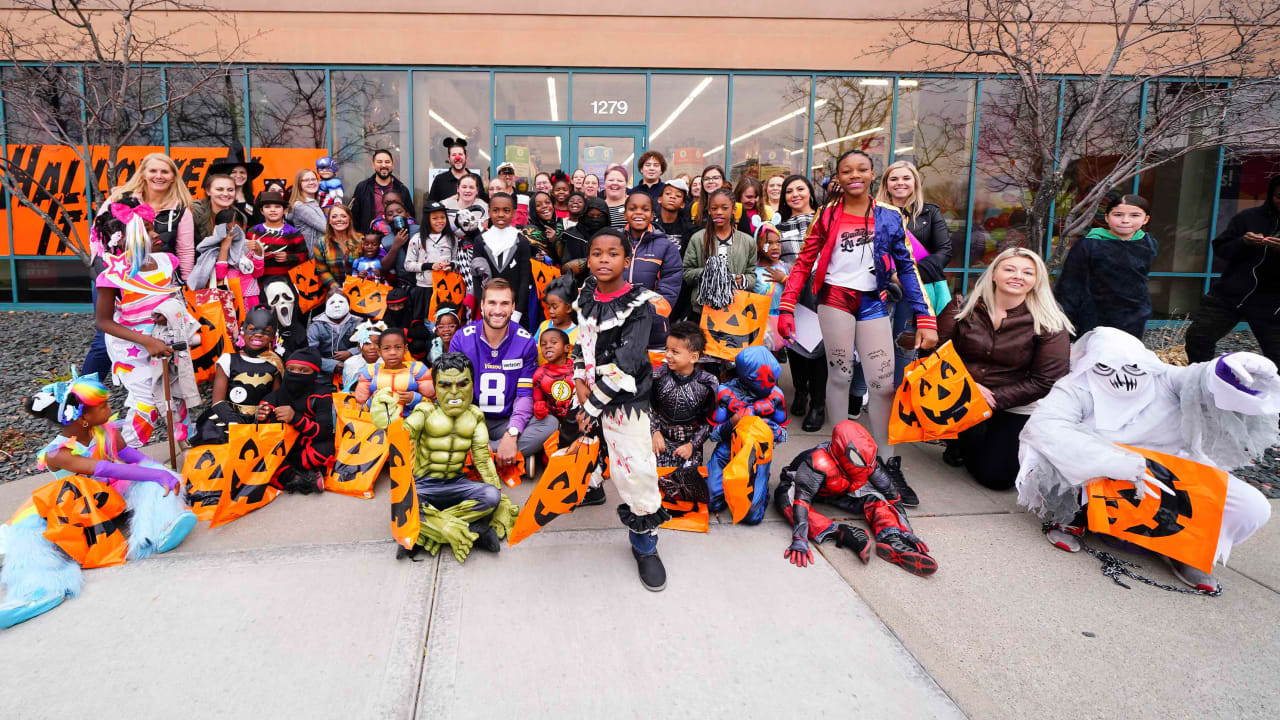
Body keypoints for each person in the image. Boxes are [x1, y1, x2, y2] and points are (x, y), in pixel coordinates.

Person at [1017, 327, 1276, 592]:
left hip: (1171, 475)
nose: (1122, 376)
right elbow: (1045, 427)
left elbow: (1197, 380)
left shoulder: (1163, 377)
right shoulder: (1077, 387)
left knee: (1252, 507)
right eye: (1108, 366)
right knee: (1044, 452)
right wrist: (1115, 462)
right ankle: (1071, 516)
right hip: (1101, 474)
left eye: (1131, 366)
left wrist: (1225, 370)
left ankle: (1187, 546)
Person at [776, 149, 938, 507]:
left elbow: (908, 267)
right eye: (846, 170)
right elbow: (804, 262)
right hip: (835, 298)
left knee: (882, 383)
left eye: (861, 169)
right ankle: (841, 454)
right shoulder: (827, 214)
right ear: (838, 176)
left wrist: (924, 316)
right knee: (840, 374)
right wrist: (786, 306)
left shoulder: (891, 216)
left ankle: (886, 462)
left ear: (871, 174)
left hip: (872, 301)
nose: (854, 175)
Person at [1, 373, 195, 628]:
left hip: (110, 497)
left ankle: (159, 530)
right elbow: (107, 468)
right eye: (102, 405)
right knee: (25, 534)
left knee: (155, 478)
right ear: (82, 418)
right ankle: (37, 591)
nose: (109, 406)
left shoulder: (107, 432)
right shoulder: (59, 453)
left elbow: (133, 459)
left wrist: (162, 474)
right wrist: (155, 473)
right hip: (74, 507)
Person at [573, 227, 670, 590]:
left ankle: (644, 545)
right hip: (590, 396)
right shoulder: (585, 295)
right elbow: (580, 343)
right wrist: (580, 379)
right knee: (590, 452)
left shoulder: (639, 305)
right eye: (597, 253)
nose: (603, 259)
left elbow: (628, 363)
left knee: (635, 467)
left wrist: (594, 403)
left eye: (612, 253)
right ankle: (593, 488)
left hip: (624, 399)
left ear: (626, 261)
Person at [935, 248, 1071, 489]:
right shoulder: (961, 306)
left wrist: (992, 399)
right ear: (994, 274)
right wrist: (965, 387)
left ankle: (967, 439)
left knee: (997, 478)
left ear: (1036, 280)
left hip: (1014, 402)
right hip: (961, 393)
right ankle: (959, 436)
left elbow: (1046, 380)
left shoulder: (1049, 321)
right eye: (1009, 269)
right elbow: (933, 353)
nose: (1018, 275)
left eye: (1028, 272)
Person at [368, 352, 517, 562]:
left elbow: (483, 459)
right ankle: (468, 530)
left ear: (473, 384)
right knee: (403, 503)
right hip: (423, 485)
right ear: (435, 388)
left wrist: (499, 501)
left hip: (457, 484)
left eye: (462, 384)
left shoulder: (475, 416)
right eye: (446, 385)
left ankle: (425, 533)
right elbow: (402, 436)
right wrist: (389, 424)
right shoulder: (425, 411)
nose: (454, 392)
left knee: (491, 497)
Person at [775, 420, 935, 575]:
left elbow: (891, 495)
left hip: (839, 491)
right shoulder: (817, 462)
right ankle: (842, 533)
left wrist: (906, 530)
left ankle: (891, 537)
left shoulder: (868, 462)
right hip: (802, 486)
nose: (867, 466)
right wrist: (799, 539)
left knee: (877, 498)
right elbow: (803, 500)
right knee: (787, 500)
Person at [92, 197, 190, 448]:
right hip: (131, 344)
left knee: (175, 392)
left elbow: (174, 297)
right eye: (147, 229)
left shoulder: (167, 262)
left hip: (165, 336)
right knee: (147, 399)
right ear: (124, 238)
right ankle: (117, 456)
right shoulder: (112, 276)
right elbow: (103, 322)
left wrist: (168, 312)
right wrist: (145, 341)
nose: (156, 233)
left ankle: (184, 442)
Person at [450, 278, 557, 464]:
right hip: (470, 419)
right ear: (482, 305)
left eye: (505, 303)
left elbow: (525, 394)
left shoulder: (525, 341)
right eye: (492, 302)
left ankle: (486, 454)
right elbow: (454, 392)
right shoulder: (462, 338)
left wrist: (512, 433)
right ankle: (507, 457)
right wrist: (473, 432)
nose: (498, 310)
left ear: (513, 306)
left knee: (550, 424)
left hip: (505, 420)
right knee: (436, 422)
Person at [874, 160, 954, 388]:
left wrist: (909, 274)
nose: (900, 183)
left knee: (905, 345)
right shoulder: (874, 213)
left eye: (906, 178)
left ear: (915, 183)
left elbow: (944, 251)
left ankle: (899, 395)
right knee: (874, 346)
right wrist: (891, 275)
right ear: (886, 184)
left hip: (914, 292)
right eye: (894, 178)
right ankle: (860, 393)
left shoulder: (930, 212)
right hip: (882, 289)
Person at [1186, 176, 1280, 363]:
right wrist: (1243, 242)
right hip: (1230, 294)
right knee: (1198, 338)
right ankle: (1200, 382)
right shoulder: (1247, 217)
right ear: (1271, 195)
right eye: (1279, 196)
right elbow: (1222, 249)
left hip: (1273, 302)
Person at [1055, 194, 1156, 340]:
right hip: (1093, 316)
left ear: (1145, 219)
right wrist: (1067, 319)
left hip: (1134, 316)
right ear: (1107, 217)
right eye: (1118, 214)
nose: (1125, 220)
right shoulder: (1089, 244)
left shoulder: (1148, 243)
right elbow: (1070, 285)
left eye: (1135, 215)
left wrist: (1143, 311)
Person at [706, 346, 786, 524]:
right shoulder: (726, 392)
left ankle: (761, 486)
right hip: (727, 450)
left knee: (751, 516)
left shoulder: (775, 396)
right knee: (710, 501)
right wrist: (733, 422)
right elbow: (712, 435)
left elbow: (782, 434)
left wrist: (763, 426)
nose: (770, 384)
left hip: (756, 454)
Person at [775, 174, 827, 431]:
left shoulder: (826, 218)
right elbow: (773, 257)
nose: (795, 194)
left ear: (810, 192)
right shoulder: (778, 226)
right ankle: (800, 392)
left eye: (800, 189)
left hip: (822, 291)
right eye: (789, 191)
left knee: (819, 350)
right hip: (792, 292)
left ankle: (818, 404)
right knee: (795, 346)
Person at [190, 306, 283, 445]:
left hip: (261, 420)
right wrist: (237, 424)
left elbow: (275, 398)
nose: (258, 334)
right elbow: (218, 402)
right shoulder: (228, 360)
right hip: (229, 418)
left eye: (266, 332)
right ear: (243, 330)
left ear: (272, 336)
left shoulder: (275, 363)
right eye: (252, 329)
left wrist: (264, 414)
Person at [651, 322, 718, 504]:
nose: (668, 355)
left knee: (689, 487)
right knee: (652, 482)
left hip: (688, 444)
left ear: (694, 356)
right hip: (662, 441)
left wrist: (692, 445)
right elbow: (650, 408)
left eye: (675, 352)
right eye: (667, 349)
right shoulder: (658, 376)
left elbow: (710, 421)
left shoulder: (708, 384)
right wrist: (655, 432)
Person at [254, 346, 335, 495]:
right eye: (291, 369)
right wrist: (260, 417)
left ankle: (291, 476)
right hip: (282, 449)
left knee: (327, 449)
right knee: (258, 452)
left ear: (314, 373)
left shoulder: (321, 394)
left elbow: (325, 431)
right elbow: (263, 436)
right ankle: (298, 477)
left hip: (308, 445)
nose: (296, 374)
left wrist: (295, 418)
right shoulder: (274, 396)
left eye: (304, 371)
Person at [104, 152, 195, 280]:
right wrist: (102, 269)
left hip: (163, 280)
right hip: (121, 277)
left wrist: (186, 282)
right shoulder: (120, 200)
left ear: (173, 177)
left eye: (165, 172)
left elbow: (185, 251)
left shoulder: (181, 211)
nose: (159, 176)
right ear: (143, 175)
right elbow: (98, 238)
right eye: (153, 171)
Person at [682, 187, 756, 326]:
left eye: (724, 208)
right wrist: (709, 274)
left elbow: (752, 273)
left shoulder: (747, 241)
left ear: (733, 210)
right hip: (703, 311)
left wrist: (744, 280)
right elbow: (686, 273)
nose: (719, 212)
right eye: (714, 208)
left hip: (736, 312)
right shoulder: (698, 239)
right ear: (709, 211)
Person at [473, 194, 533, 330]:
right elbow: (476, 278)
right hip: (490, 309)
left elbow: (524, 281)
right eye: (496, 210)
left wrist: (517, 312)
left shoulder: (521, 241)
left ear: (513, 213)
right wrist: (483, 309)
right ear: (489, 212)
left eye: (506, 210)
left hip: (515, 309)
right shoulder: (480, 241)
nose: (501, 214)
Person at [187, 208, 263, 312]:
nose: (230, 235)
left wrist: (259, 253)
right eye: (226, 231)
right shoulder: (214, 249)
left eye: (236, 230)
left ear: (243, 227)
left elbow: (257, 274)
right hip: (227, 297)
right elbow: (220, 275)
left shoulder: (249, 246)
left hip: (249, 295)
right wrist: (224, 249)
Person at [405, 201, 458, 314]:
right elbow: (408, 265)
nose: (440, 221)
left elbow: (455, 259)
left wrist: (451, 266)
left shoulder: (452, 238)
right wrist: (429, 266)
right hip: (425, 288)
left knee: (445, 320)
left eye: (442, 217)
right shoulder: (417, 239)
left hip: (446, 287)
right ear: (427, 220)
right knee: (427, 323)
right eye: (434, 218)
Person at [531, 327, 578, 448]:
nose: (548, 346)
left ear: (567, 348)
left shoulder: (578, 370)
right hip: (553, 426)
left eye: (553, 342)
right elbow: (538, 400)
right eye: (543, 344)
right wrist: (539, 407)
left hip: (577, 424)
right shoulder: (540, 375)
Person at [350, 148, 415, 235]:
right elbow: (354, 218)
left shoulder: (402, 189)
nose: (384, 165)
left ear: (392, 165)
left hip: (396, 239)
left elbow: (410, 217)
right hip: (370, 242)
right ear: (373, 165)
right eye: (379, 162)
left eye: (387, 162)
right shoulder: (362, 188)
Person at [248, 190, 308, 281]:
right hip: (258, 282)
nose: (272, 210)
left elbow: (305, 256)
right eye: (267, 207)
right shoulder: (253, 232)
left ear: (284, 210)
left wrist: (289, 257)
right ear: (262, 211)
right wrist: (248, 248)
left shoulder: (294, 233)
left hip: (287, 281)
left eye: (277, 207)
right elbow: (243, 258)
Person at [205, 143, 263, 228]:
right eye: (234, 172)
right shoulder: (221, 197)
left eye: (242, 172)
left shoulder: (251, 198)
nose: (238, 176)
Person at [560, 197, 611, 289]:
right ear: (583, 215)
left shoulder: (613, 237)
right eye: (591, 216)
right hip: (577, 289)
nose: (595, 219)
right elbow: (565, 269)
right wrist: (590, 262)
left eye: (600, 216)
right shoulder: (572, 235)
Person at [308, 292, 362, 377]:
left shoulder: (357, 323)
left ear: (349, 306)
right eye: (332, 302)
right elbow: (310, 352)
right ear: (326, 306)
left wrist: (350, 353)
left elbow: (367, 345)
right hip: (322, 369)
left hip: (353, 367)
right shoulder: (316, 326)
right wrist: (332, 365)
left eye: (341, 302)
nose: (337, 306)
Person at [314, 202, 359, 294]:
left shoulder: (360, 240)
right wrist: (336, 288)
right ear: (329, 221)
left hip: (359, 291)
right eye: (334, 217)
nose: (339, 219)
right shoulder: (321, 243)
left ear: (349, 219)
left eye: (343, 216)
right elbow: (322, 271)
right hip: (335, 294)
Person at [427, 137, 486, 205]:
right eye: (454, 155)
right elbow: (431, 205)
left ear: (466, 157)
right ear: (449, 159)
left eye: (460, 154)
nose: (457, 158)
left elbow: (483, 202)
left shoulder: (476, 178)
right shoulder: (440, 179)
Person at [535, 274, 578, 364]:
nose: (550, 311)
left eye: (554, 307)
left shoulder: (578, 333)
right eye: (548, 307)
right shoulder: (544, 325)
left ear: (568, 308)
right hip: (541, 376)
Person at [754, 222, 788, 334]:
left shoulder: (786, 268)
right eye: (768, 243)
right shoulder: (753, 271)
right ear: (758, 245)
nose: (775, 247)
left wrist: (784, 279)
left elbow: (798, 293)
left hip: (782, 322)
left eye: (778, 242)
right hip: (760, 323)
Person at [288, 168, 327, 256]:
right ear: (299, 184)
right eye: (306, 180)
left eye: (313, 179)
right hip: (312, 259)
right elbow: (325, 228)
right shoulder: (300, 206)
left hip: (321, 256)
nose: (311, 182)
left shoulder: (314, 202)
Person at [190, 172, 238, 242]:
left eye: (230, 190)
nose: (225, 194)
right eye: (219, 189)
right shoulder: (194, 212)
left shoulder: (239, 216)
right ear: (208, 191)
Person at [654, 178, 695, 254]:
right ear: (659, 199)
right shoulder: (651, 226)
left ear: (683, 204)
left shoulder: (687, 229)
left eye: (678, 195)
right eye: (668, 193)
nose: (672, 197)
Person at [343, 319, 384, 391]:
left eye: (377, 343)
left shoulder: (388, 363)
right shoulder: (350, 363)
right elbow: (347, 387)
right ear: (359, 347)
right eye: (367, 343)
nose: (372, 347)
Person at [522, 191, 561, 263]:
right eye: (538, 205)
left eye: (547, 202)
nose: (544, 206)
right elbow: (522, 258)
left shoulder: (559, 227)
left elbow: (564, 259)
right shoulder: (529, 231)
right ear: (533, 210)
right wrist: (536, 258)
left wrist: (555, 240)